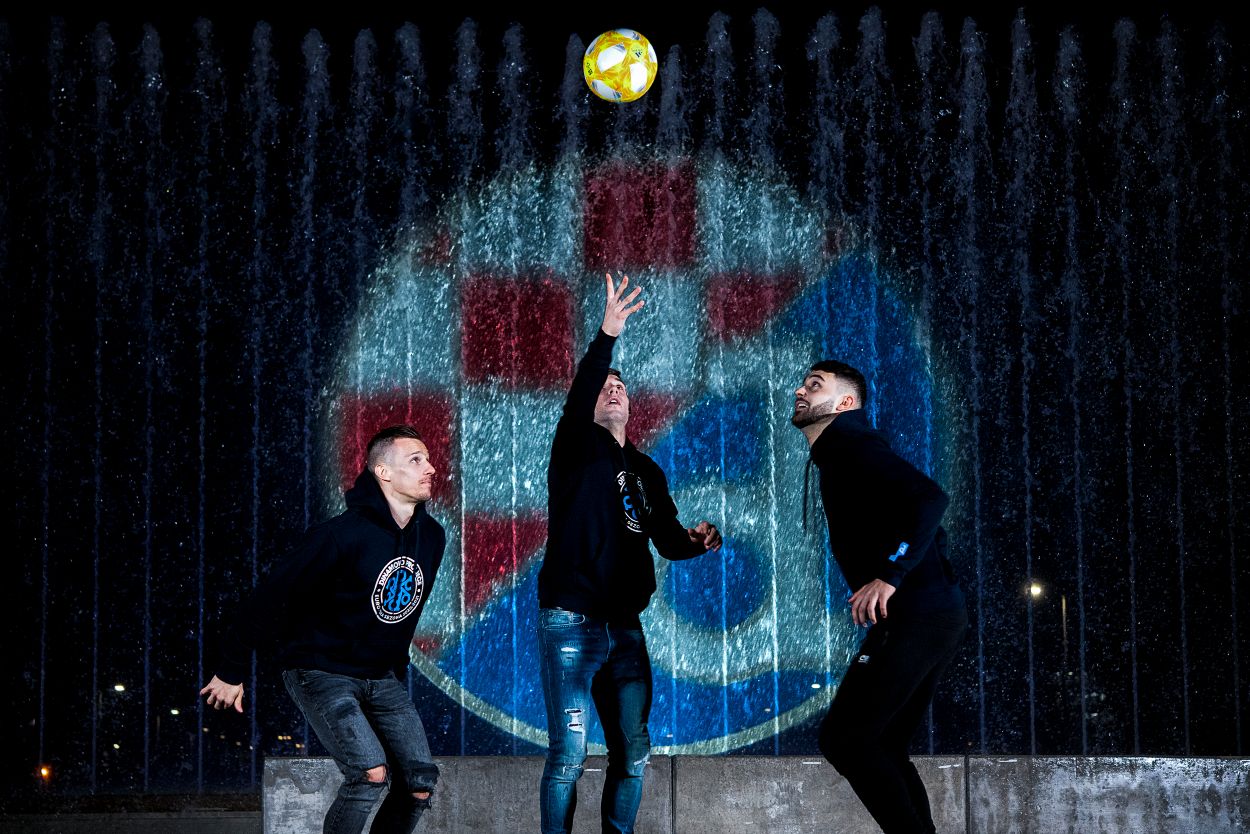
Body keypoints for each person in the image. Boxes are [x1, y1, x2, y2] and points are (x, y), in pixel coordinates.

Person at [537, 273, 723, 834]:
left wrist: (695, 542)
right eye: (603, 385)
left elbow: (665, 539)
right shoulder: (574, 446)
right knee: (570, 754)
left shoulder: (647, 470)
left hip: (625, 627)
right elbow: (582, 391)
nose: (612, 389)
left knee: (634, 751)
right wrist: (607, 336)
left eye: (620, 385)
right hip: (571, 620)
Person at [200, 425, 445, 834]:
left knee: (419, 783)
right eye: (416, 460)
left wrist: (392, 669)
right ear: (383, 472)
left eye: (429, 459)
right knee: (369, 775)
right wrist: (231, 668)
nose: (431, 468)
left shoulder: (432, 537)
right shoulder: (339, 535)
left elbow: (405, 613)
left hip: (379, 676)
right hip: (320, 669)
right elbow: (271, 596)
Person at [791, 361, 966, 834]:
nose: (800, 391)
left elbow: (930, 498)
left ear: (845, 403)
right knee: (882, 743)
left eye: (814, 386)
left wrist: (890, 575)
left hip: (920, 612)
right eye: (802, 384)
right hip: (930, 612)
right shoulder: (838, 452)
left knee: (846, 739)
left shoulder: (852, 444)